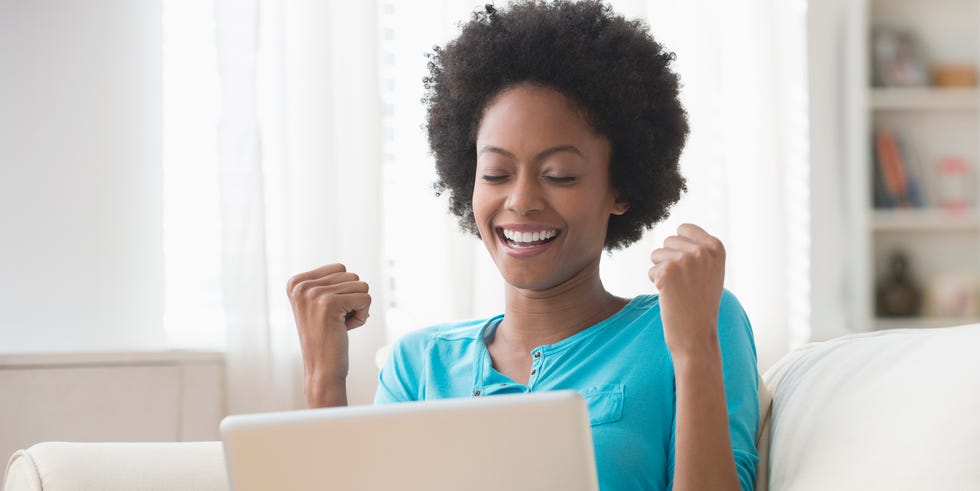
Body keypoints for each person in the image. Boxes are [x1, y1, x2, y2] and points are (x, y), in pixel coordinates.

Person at [286, 1, 759, 490]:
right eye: (495, 173)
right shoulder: (419, 364)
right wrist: (324, 381)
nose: (521, 201)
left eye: (559, 175)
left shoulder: (692, 320)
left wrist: (692, 348)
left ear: (620, 188)